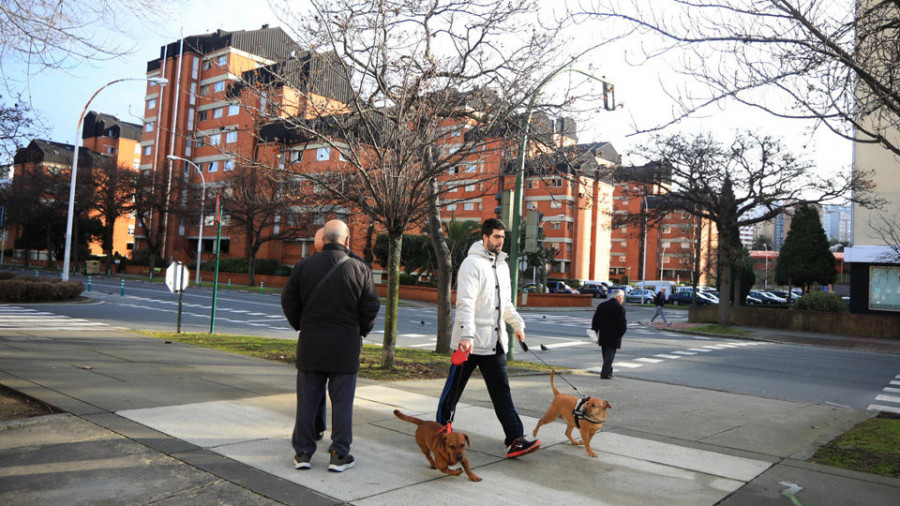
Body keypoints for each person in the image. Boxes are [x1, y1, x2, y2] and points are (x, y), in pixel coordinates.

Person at [436, 218, 541, 458]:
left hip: (494, 344)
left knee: (502, 392)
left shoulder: (502, 266)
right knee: (452, 392)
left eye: (503, 237)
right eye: (496, 237)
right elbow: (465, 303)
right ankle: (442, 433)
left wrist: (517, 324)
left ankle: (515, 439)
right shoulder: (471, 264)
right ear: (484, 237)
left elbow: (505, 304)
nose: (500, 241)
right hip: (470, 343)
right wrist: (466, 334)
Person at [281, 220, 380, 472]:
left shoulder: (304, 265)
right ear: (347, 241)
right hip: (345, 347)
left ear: (323, 240)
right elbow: (370, 306)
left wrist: (302, 325)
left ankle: (303, 453)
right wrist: (360, 330)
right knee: (343, 404)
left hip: (311, 344)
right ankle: (339, 454)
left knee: (307, 402)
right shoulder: (360, 268)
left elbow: (288, 299)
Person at [592, 289, 627, 379]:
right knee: (609, 356)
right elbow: (622, 324)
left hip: (603, 334)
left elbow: (595, 320)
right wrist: (620, 334)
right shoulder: (620, 308)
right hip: (614, 336)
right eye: (622, 298)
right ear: (618, 297)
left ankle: (609, 371)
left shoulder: (602, 305)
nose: (623, 300)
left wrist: (595, 331)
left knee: (606, 355)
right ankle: (605, 374)